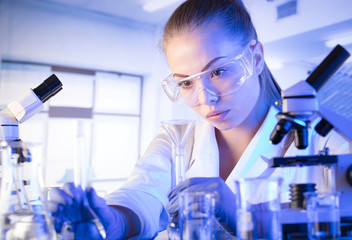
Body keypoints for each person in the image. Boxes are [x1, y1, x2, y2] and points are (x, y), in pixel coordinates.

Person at [48, 0, 350, 239]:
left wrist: (243, 214)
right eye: (186, 83)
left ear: (256, 58)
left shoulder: (329, 143)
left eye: (218, 72)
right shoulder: (176, 140)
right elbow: (143, 193)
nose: (205, 98)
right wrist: (109, 222)